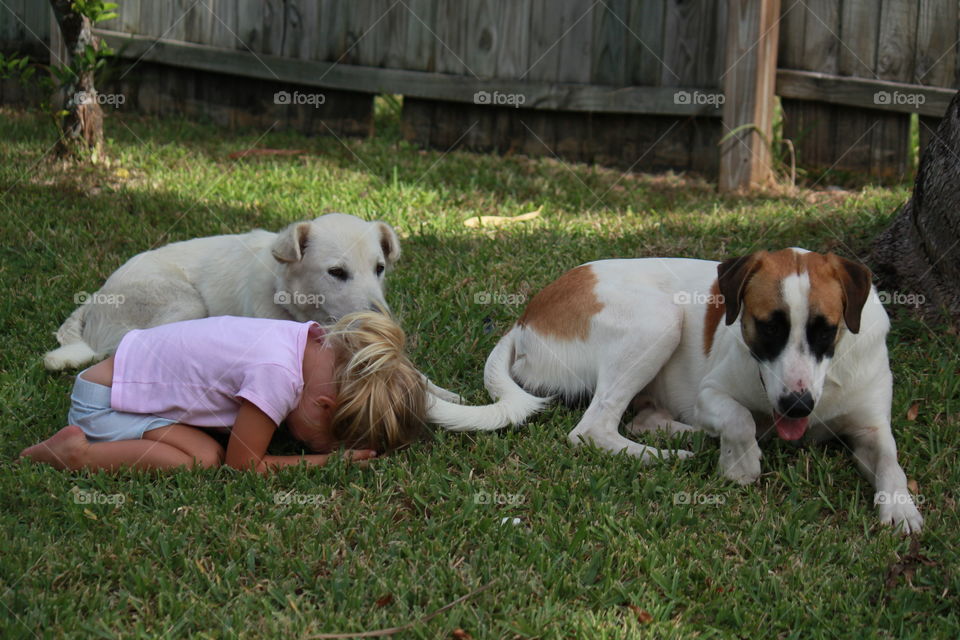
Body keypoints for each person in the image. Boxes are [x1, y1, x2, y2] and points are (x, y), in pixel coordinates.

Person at [20, 311, 427, 473]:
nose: (303, 443)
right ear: (324, 405)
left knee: (208, 450)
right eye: (324, 437)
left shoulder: (308, 339)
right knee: (205, 458)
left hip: (112, 381)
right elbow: (243, 465)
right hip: (104, 406)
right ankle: (76, 455)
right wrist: (328, 460)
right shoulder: (278, 376)